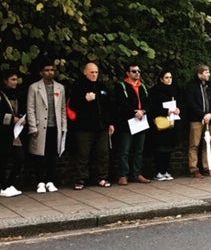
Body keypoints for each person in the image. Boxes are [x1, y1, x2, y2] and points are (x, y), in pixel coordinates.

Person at [68, 62, 114, 190]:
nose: (94, 75)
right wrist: (84, 100)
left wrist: (110, 123)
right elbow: (72, 105)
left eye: (96, 72)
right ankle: (80, 179)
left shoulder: (102, 87)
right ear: (85, 72)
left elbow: (108, 107)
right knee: (83, 153)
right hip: (84, 127)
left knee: (103, 153)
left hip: (102, 126)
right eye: (92, 72)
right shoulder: (78, 87)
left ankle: (102, 177)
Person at [26, 60, 67, 193]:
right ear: (41, 73)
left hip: (55, 126)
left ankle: (50, 180)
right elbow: (30, 108)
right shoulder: (34, 88)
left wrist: (64, 127)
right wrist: (32, 127)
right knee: (39, 155)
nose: (50, 73)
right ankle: (40, 181)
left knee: (52, 154)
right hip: (40, 126)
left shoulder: (60, 87)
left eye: (52, 70)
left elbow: (62, 109)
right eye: (47, 70)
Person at [114, 62, 150, 185]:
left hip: (141, 120)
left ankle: (137, 173)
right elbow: (121, 103)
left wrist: (143, 111)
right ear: (128, 73)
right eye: (134, 71)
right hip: (127, 122)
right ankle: (123, 174)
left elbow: (148, 102)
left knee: (139, 150)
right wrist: (134, 112)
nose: (137, 73)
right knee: (125, 149)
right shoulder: (122, 86)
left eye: (139, 71)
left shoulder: (143, 87)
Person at [184, 63, 211, 178]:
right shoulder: (191, 86)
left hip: (209, 119)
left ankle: (207, 167)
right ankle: (194, 169)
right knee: (194, 144)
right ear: (199, 74)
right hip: (196, 119)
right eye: (206, 72)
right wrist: (203, 115)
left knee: (207, 144)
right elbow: (191, 103)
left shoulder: (210, 86)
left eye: (209, 72)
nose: (209, 74)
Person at [148, 70, 181, 181]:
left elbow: (179, 103)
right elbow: (152, 108)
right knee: (160, 148)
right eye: (166, 77)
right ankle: (158, 171)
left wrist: (177, 110)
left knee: (168, 148)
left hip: (171, 121)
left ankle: (165, 170)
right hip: (160, 122)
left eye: (170, 77)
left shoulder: (174, 90)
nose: (169, 80)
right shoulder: (155, 91)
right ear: (161, 79)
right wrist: (165, 111)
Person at [0, 69, 26, 197]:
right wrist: (12, 119)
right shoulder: (2, 95)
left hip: (15, 133)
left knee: (20, 158)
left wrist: (21, 118)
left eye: (16, 79)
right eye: (12, 80)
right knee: (3, 160)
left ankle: (9, 184)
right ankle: (3, 186)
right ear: (6, 81)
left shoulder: (16, 95)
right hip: (4, 133)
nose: (15, 82)